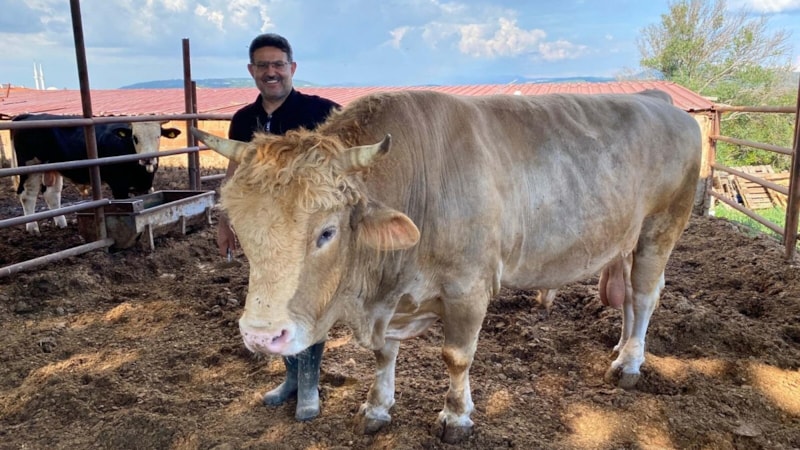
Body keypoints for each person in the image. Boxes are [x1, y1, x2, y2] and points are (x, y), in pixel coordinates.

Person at [220, 33, 339, 421]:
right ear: (251, 70)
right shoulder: (243, 119)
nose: (271, 72)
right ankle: (291, 379)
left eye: (278, 64)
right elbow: (236, 173)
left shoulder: (323, 112)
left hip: (305, 233)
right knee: (273, 302)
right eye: (263, 65)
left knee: (304, 301)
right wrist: (225, 220)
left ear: (292, 68)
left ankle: (309, 384)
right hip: (264, 234)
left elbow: (346, 168)